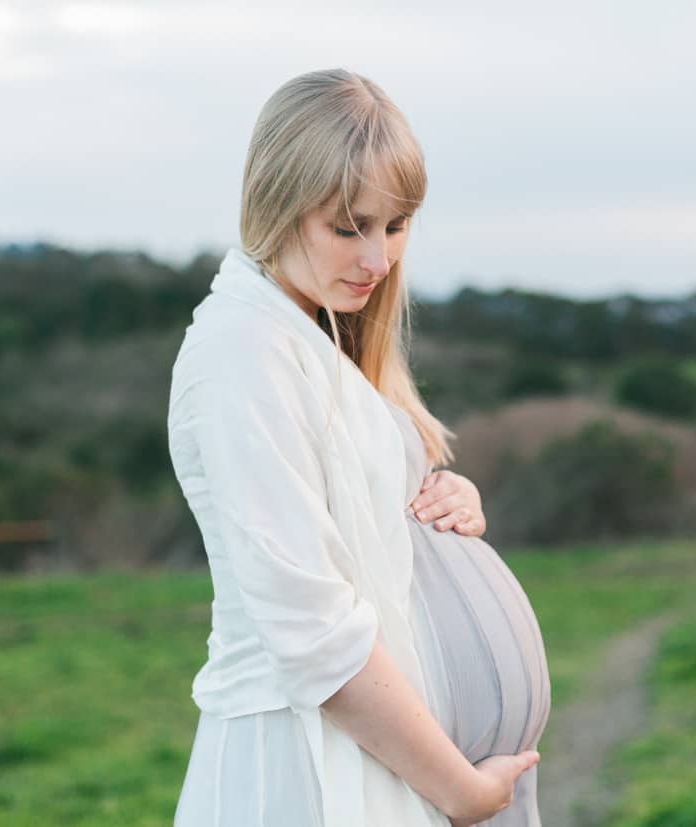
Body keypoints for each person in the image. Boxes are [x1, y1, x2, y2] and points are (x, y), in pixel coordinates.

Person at [167, 68, 550, 826]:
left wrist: (439, 504)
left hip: (365, 759)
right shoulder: (243, 349)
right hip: (303, 770)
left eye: (396, 224)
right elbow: (310, 629)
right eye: (350, 227)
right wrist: (459, 789)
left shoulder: (307, 335)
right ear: (277, 204)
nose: (379, 260)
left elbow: (359, 521)